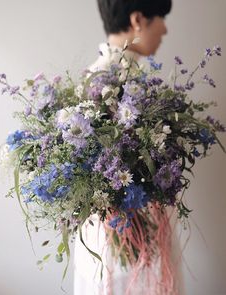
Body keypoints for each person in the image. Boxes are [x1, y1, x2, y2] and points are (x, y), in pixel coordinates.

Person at [74, 1, 184, 294]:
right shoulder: (114, 79)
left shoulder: (99, 74)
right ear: (138, 20)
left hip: (124, 231)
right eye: (160, 17)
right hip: (119, 234)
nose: (165, 28)